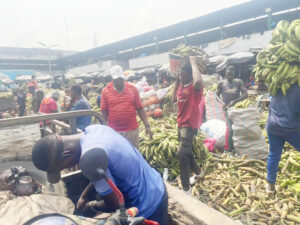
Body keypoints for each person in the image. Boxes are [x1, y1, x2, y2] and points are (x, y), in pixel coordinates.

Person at [31, 125, 168, 225]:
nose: (66, 169)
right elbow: (104, 174)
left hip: (146, 208)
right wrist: (84, 197)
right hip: (156, 186)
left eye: (63, 167)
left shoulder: (89, 160)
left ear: (66, 155)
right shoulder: (94, 130)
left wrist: (91, 206)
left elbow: (113, 204)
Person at [172, 56, 203, 194]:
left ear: (190, 75)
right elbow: (173, 98)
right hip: (180, 124)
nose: (182, 77)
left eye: (184, 75)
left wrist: (193, 63)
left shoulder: (194, 88)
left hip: (189, 126)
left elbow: (197, 81)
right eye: (180, 75)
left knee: (182, 154)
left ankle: (186, 188)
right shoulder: (181, 86)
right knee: (187, 151)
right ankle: (198, 172)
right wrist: (178, 80)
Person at [101, 65, 153, 149]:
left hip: (131, 131)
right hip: (114, 131)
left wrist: (147, 126)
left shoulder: (132, 89)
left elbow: (140, 109)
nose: (119, 82)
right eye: (116, 80)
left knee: (133, 155)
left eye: (121, 79)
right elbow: (104, 111)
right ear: (112, 79)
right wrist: (104, 129)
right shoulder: (105, 91)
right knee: (118, 156)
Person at [266, 83, 300, 193]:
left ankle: (270, 186)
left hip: (273, 126)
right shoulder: (297, 88)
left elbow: (270, 105)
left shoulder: (275, 86)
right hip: (290, 127)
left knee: (274, 155)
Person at [216, 65, 248, 150]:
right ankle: (229, 149)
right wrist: (221, 102)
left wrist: (235, 101)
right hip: (227, 108)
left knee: (239, 128)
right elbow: (216, 95)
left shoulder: (238, 82)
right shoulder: (221, 83)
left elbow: (245, 94)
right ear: (225, 72)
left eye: (232, 70)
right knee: (230, 129)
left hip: (237, 109)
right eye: (228, 70)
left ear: (235, 72)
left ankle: (239, 147)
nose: (230, 71)